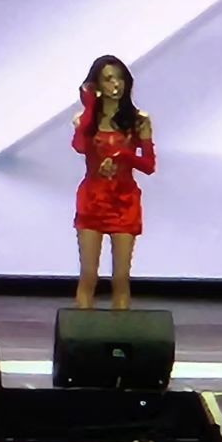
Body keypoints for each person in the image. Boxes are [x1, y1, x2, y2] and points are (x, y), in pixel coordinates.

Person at [70, 56, 155, 309]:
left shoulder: (139, 120)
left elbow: (149, 165)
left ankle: (121, 329)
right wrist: (88, 107)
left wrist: (124, 156)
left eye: (120, 79)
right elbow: (79, 146)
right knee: (88, 276)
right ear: (96, 84)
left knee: (120, 278)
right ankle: (83, 330)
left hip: (124, 201)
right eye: (108, 79)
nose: (116, 85)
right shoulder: (86, 120)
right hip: (93, 199)